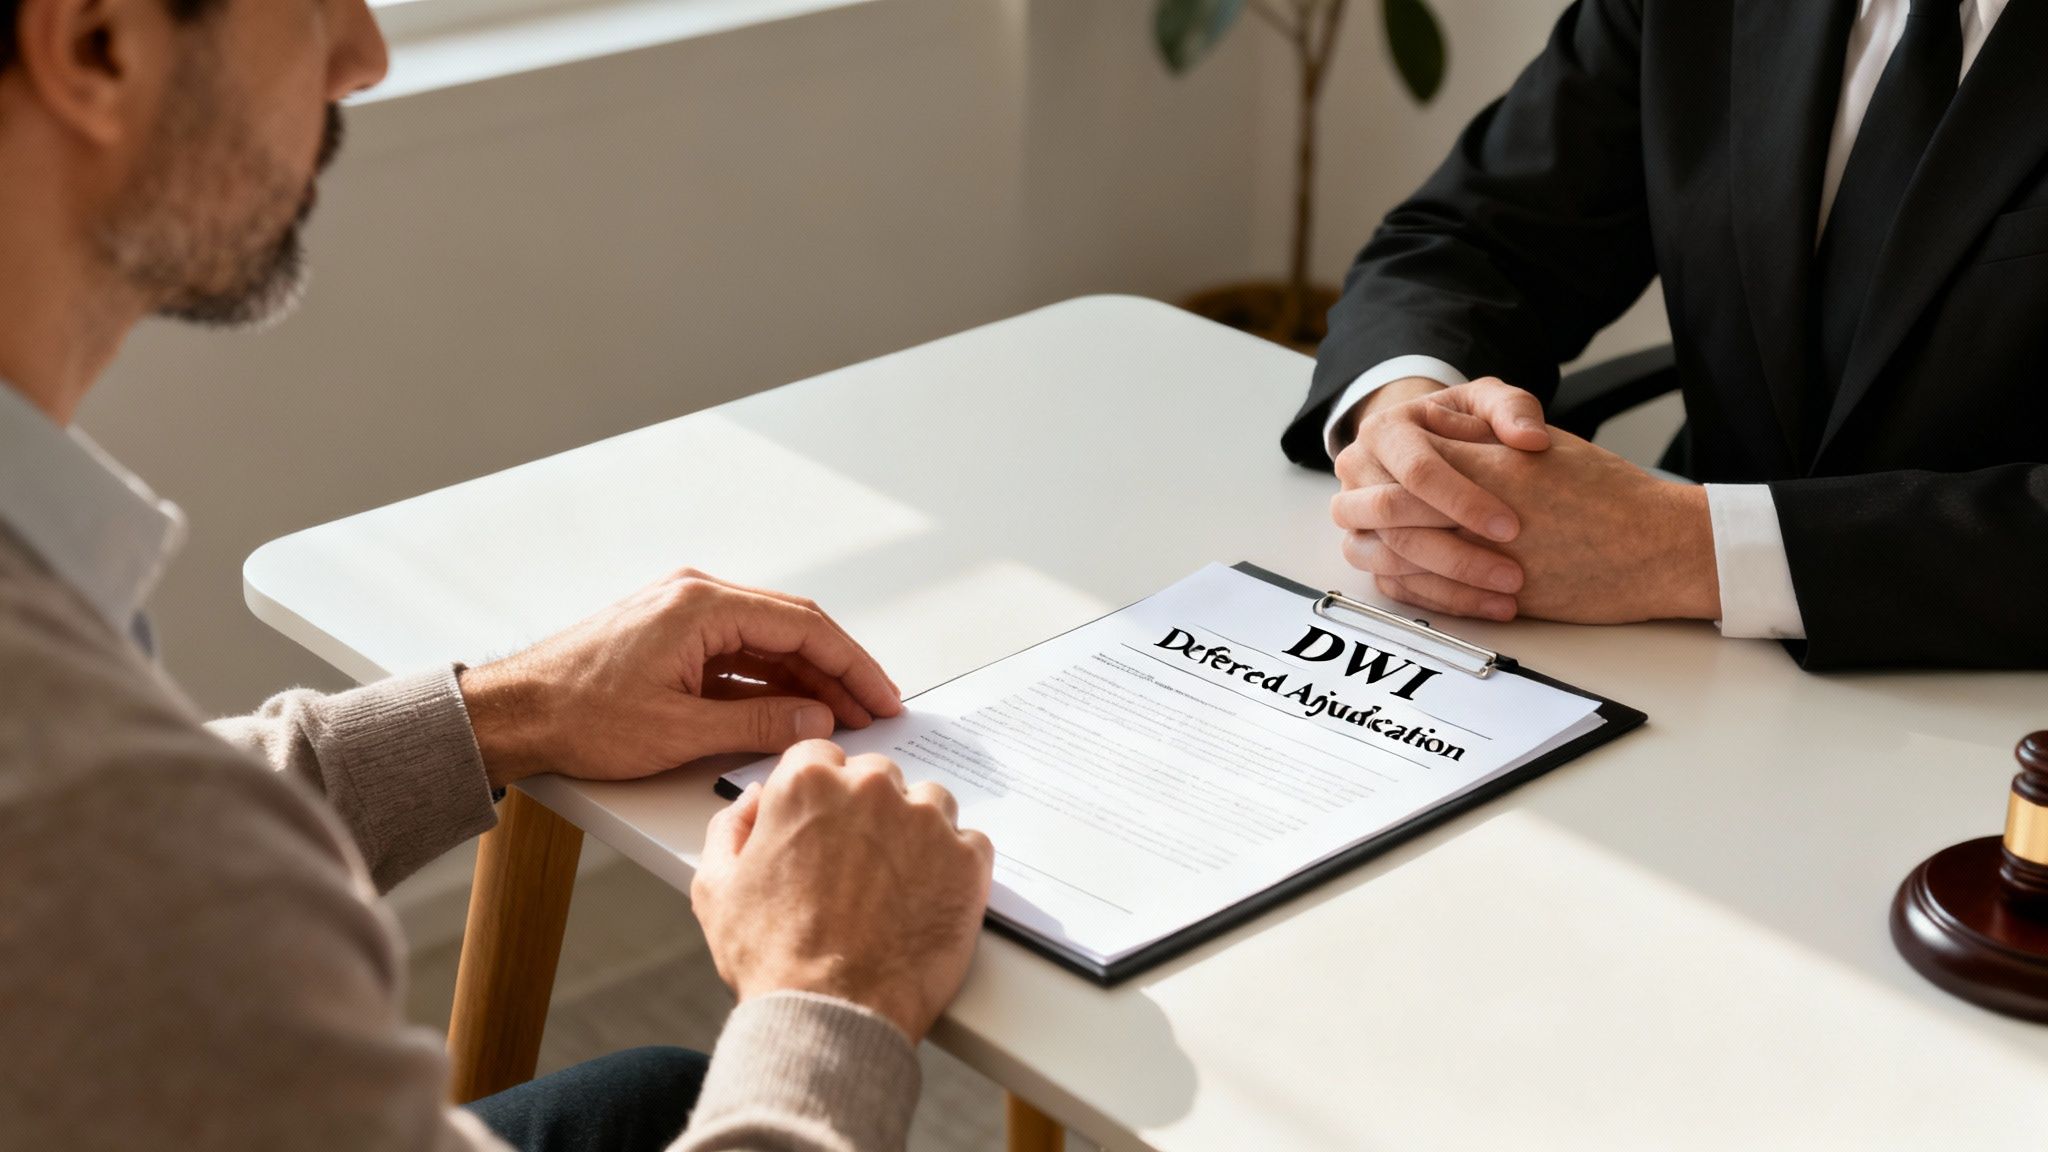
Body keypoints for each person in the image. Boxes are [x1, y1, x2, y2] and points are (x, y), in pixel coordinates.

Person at [0, 0, 994, 1146]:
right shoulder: (86, 804)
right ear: (98, 44)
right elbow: (116, 845)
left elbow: (123, 867)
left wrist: (505, 711)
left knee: (655, 1100)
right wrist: (833, 996)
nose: (362, 56)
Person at [1284, 0, 2048, 670]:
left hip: (1987, 698)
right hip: (1679, 658)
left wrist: (1684, 551)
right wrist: (1414, 432)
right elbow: (1471, 239)